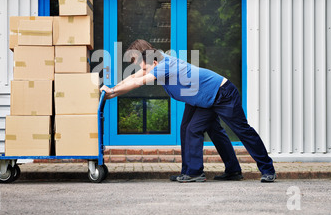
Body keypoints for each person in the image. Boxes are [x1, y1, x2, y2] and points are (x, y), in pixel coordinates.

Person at [100, 39, 276, 183]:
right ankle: (224, 170)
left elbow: (137, 82)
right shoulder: (156, 61)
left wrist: (113, 93)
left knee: (239, 130)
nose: (141, 70)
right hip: (201, 98)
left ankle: (267, 169)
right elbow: (132, 78)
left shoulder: (162, 65)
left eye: (142, 66)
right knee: (193, 129)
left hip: (222, 93)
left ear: (150, 60)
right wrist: (112, 90)